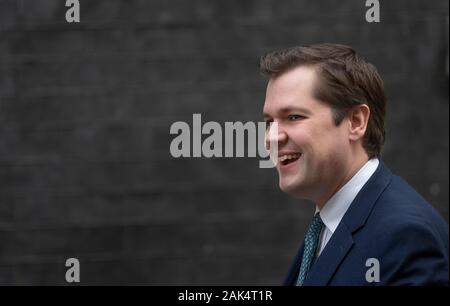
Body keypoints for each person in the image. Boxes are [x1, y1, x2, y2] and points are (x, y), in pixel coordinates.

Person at [260, 43, 449, 285]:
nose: (271, 137)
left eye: (294, 117)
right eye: (268, 122)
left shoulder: (406, 238)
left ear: (356, 121)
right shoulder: (326, 226)